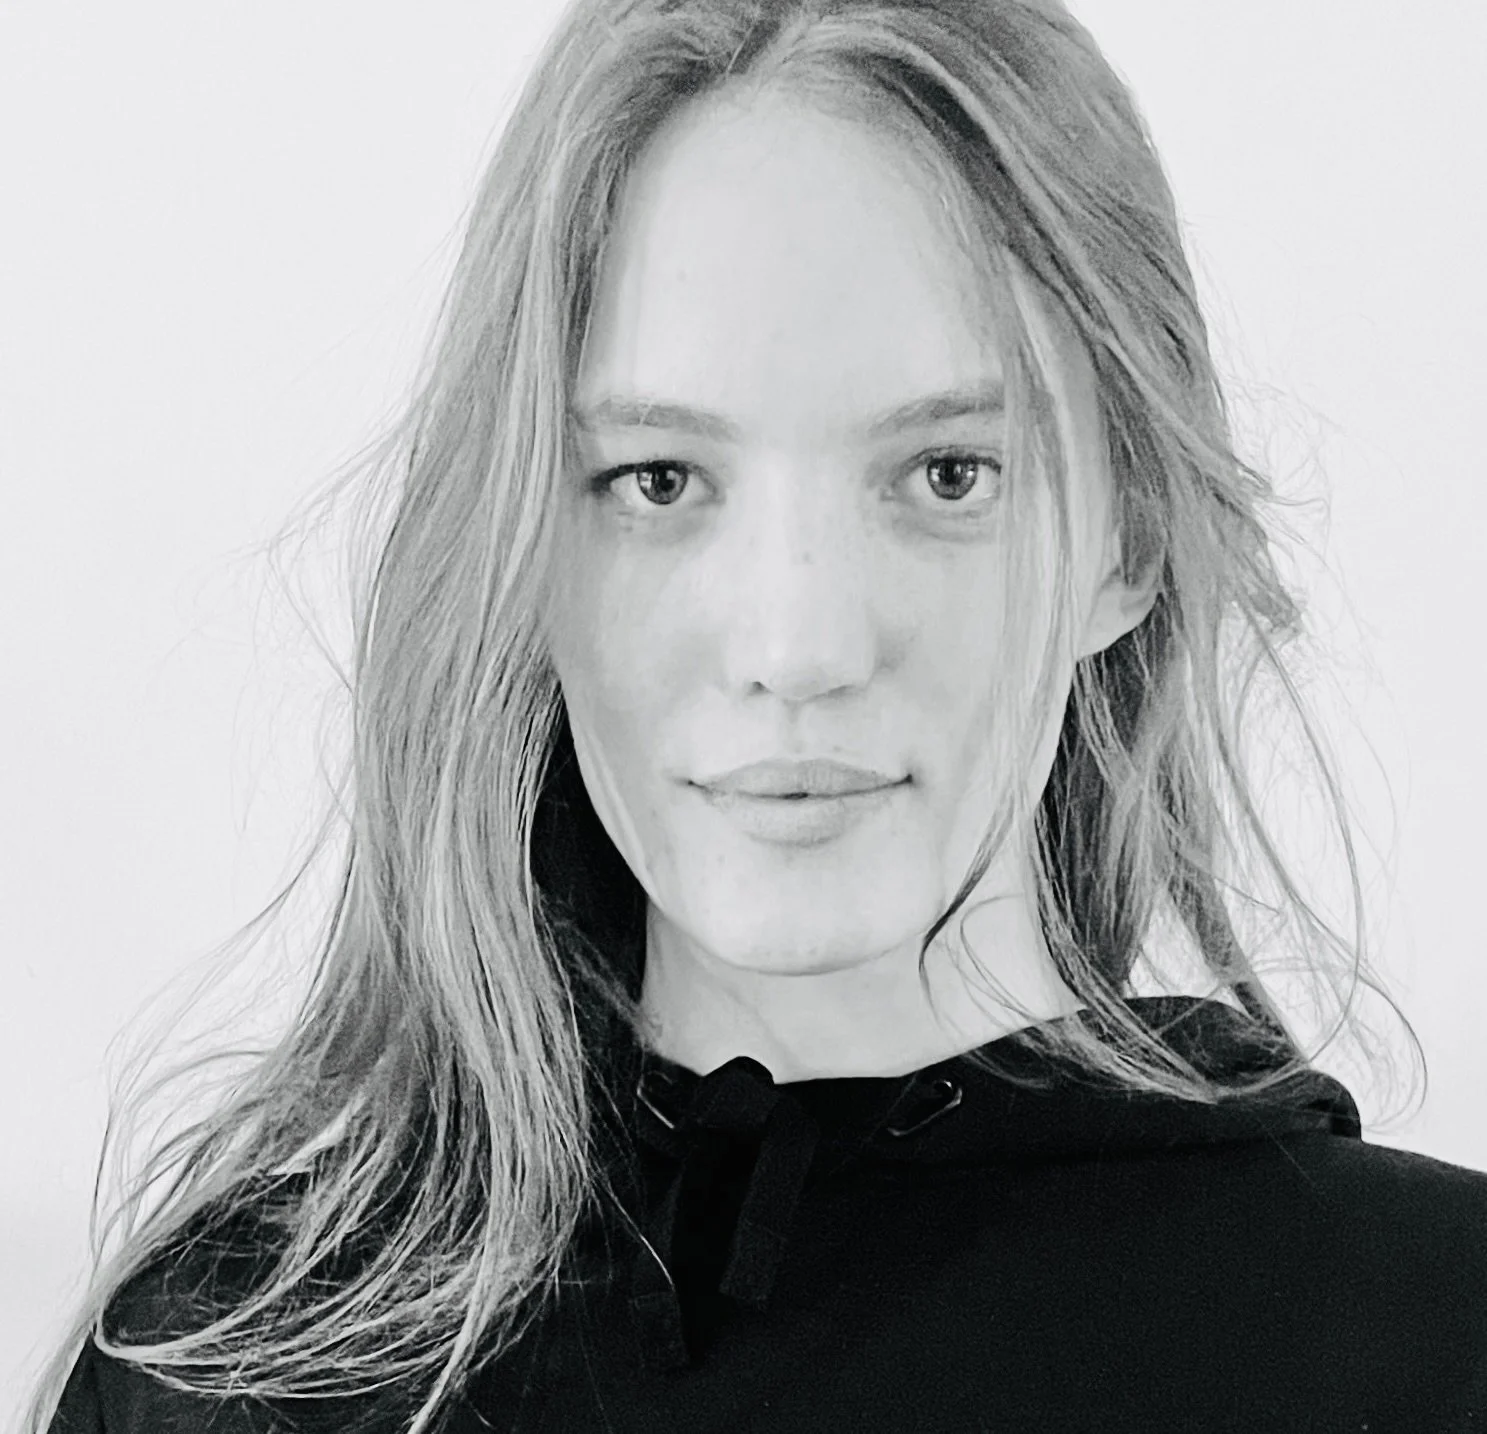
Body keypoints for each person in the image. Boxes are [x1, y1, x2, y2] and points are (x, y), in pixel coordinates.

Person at [27, 0, 1487, 1429]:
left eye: (946, 475)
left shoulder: (1432, 1339)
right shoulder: (230, 1367)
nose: (796, 646)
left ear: (1134, 539)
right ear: (520, 546)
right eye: (658, 481)